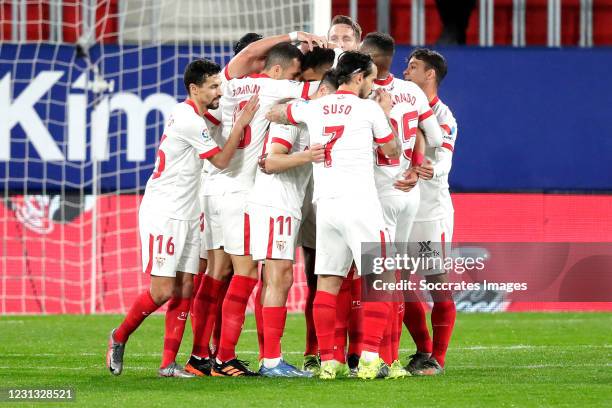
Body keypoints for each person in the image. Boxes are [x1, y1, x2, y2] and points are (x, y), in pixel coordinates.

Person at [106, 59, 258, 377]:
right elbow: (221, 160)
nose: (220, 91)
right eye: (214, 86)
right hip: (165, 212)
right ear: (195, 89)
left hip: (189, 212)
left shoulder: (192, 113)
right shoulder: (190, 120)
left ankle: (167, 364)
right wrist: (241, 124)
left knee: (187, 286)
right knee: (164, 290)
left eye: (220, 85)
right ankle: (119, 336)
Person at [187, 32, 326, 377]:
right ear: (276, 69)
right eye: (294, 72)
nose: (297, 79)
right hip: (241, 193)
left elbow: (248, 54)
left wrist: (292, 39)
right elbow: (324, 94)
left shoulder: (229, 88)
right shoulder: (278, 89)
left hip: (211, 189)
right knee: (247, 274)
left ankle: (199, 356)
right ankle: (225, 358)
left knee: (216, 274)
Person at [267, 51, 399, 380]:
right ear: (357, 78)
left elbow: (274, 112)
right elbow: (392, 150)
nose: (371, 84)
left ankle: (329, 361)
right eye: (369, 78)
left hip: (326, 206)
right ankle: (369, 359)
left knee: (327, 280)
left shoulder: (313, 107)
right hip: (361, 204)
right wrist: (386, 114)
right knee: (380, 277)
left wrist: (304, 103)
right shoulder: (369, 108)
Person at [360, 32, 444, 378]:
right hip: (407, 194)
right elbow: (434, 136)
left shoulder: (362, 96)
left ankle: (376, 357)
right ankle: (390, 359)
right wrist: (415, 163)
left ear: (371, 58)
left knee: (375, 277)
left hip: (376, 192)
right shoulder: (412, 92)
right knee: (393, 274)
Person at [249, 69, 339, 377]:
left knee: (280, 278)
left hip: (289, 205)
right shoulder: (293, 117)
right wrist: (307, 157)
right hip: (276, 202)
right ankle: (271, 361)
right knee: (279, 278)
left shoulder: (314, 120)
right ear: (325, 93)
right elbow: (271, 162)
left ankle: (270, 359)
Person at [403, 48, 458, 376]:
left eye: (413, 67)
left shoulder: (444, 117)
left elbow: (445, 161)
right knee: (395, 282)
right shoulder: (399, 106)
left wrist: (425, 170)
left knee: (437, 281)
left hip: (429, 212)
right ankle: (422, 349)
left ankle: (437, 357)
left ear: (430, 75)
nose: (406, 72)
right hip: (398, 209)